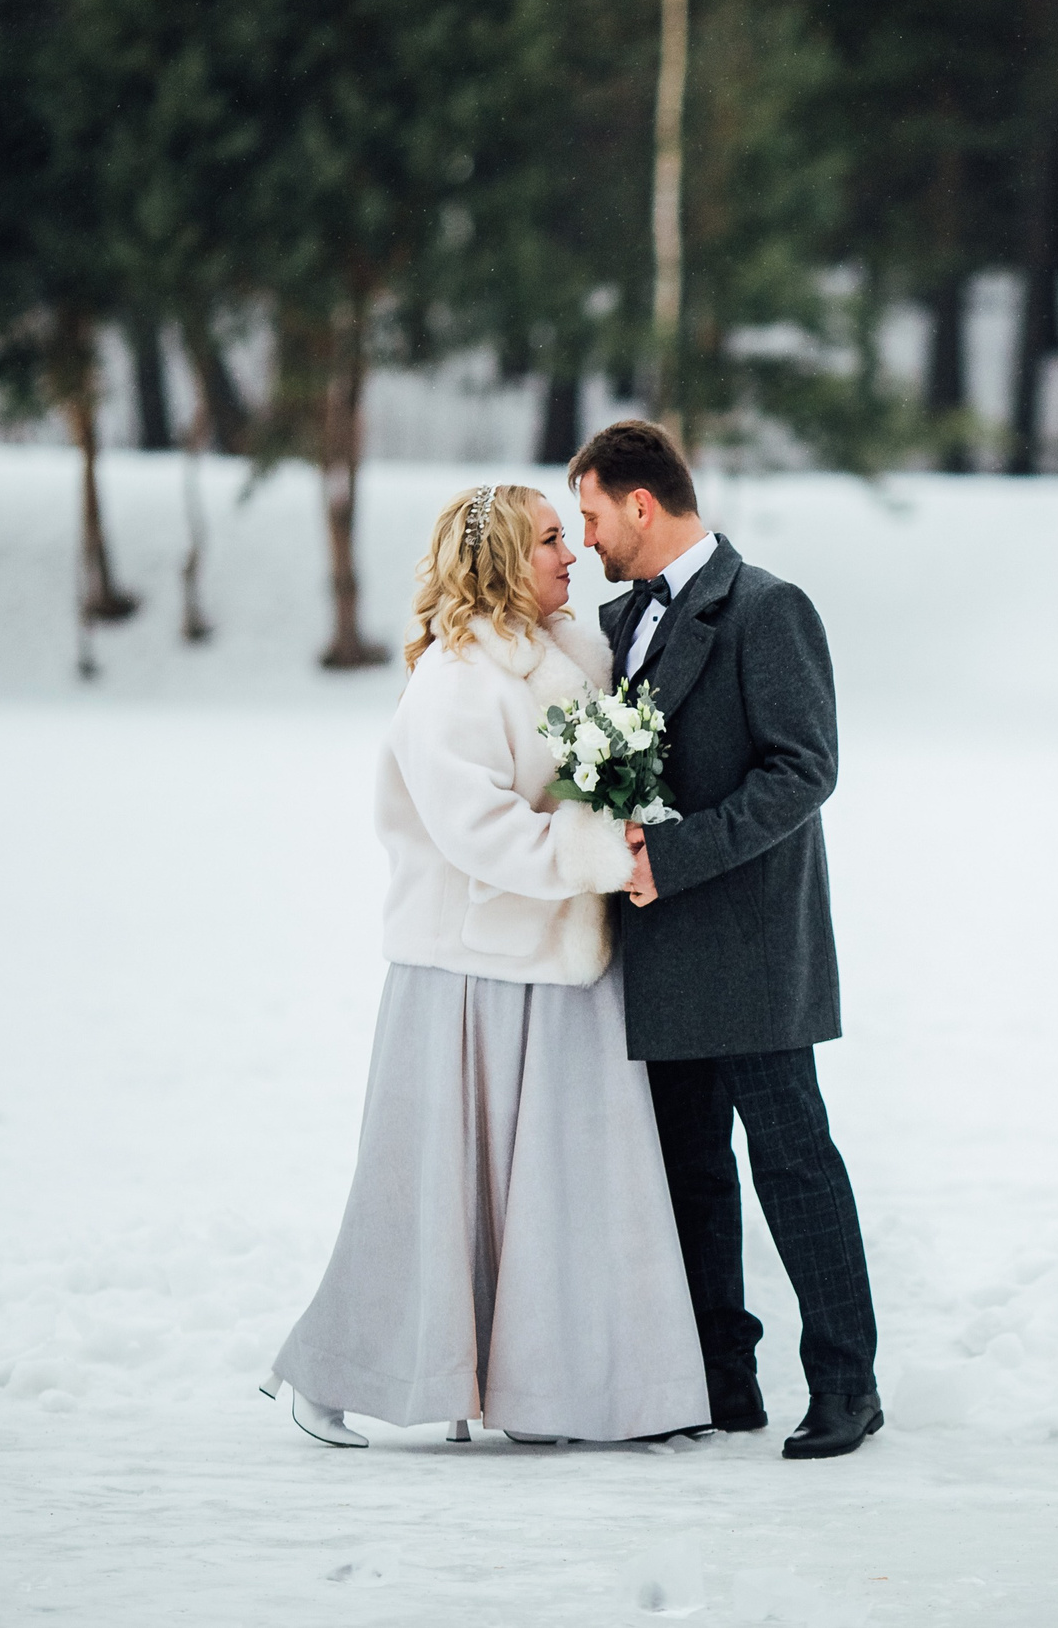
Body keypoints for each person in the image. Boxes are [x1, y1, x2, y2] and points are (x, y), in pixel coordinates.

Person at [261, 484, 708, 1448]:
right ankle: (332, 1373)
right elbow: (479, 833)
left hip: (567, 964)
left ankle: (550, 1395)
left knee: (571, 1193)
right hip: (468, 975)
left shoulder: (576, 658)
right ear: (505, 556)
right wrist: (601, 852)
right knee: (428, 1194)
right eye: (552, 540)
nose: (572, 556)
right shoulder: (457, 681)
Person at [571, 420, 883, 1460]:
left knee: (792, 1160)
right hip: (658, 945)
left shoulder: (767, 607)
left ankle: (847, 1383)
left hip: (749, 938)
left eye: (592, 513)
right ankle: (721, 1376)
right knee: (688, 1167)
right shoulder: (618, 624)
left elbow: (805, 768)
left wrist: (677, 855)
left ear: (642, 504)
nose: (586, 538)